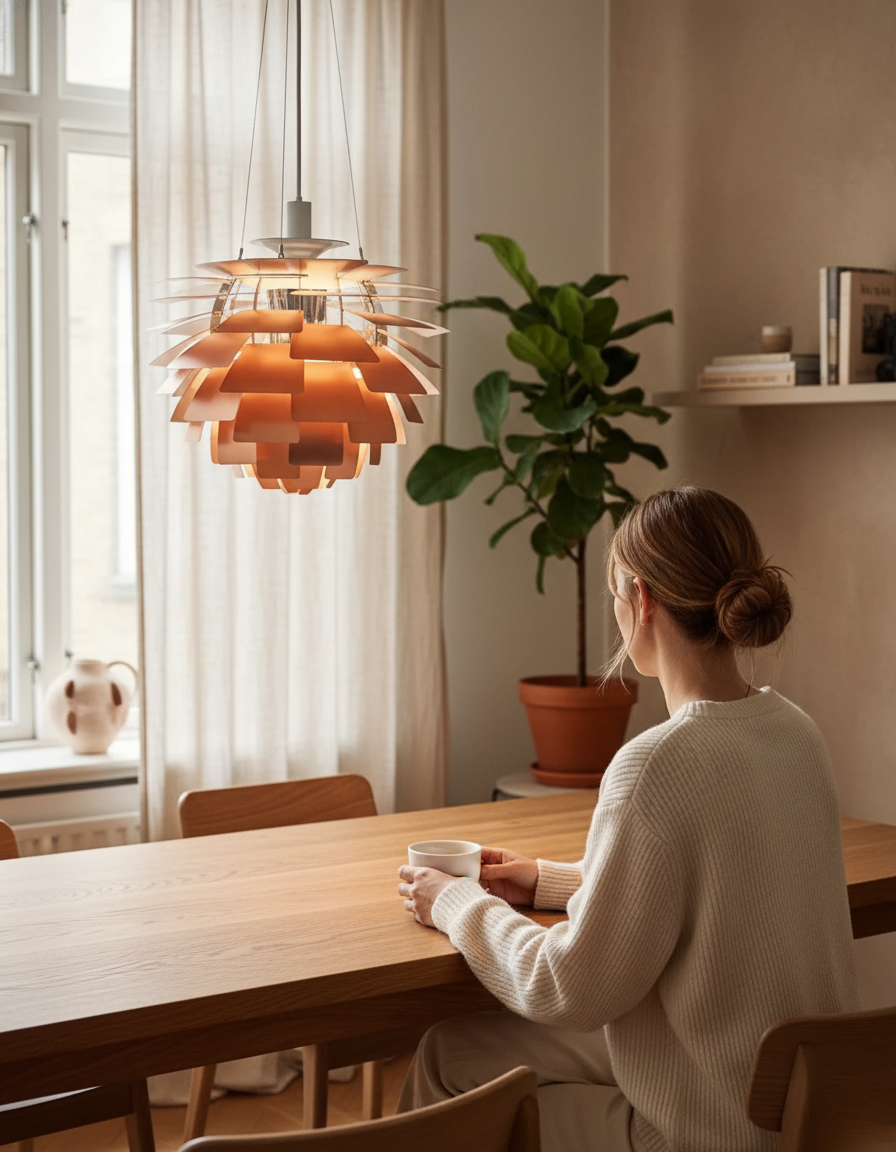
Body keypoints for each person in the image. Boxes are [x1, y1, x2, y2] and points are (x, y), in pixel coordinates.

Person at [397, 486, 859, 1152]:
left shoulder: (654, 766)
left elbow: (567, 988)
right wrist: (552, 883)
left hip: (709, 1129)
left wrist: (455, 902)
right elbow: (709, 895)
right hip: (798, 1108)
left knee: (455, 1071)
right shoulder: (796, 733)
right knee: (453, 1048)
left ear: (640, 600)